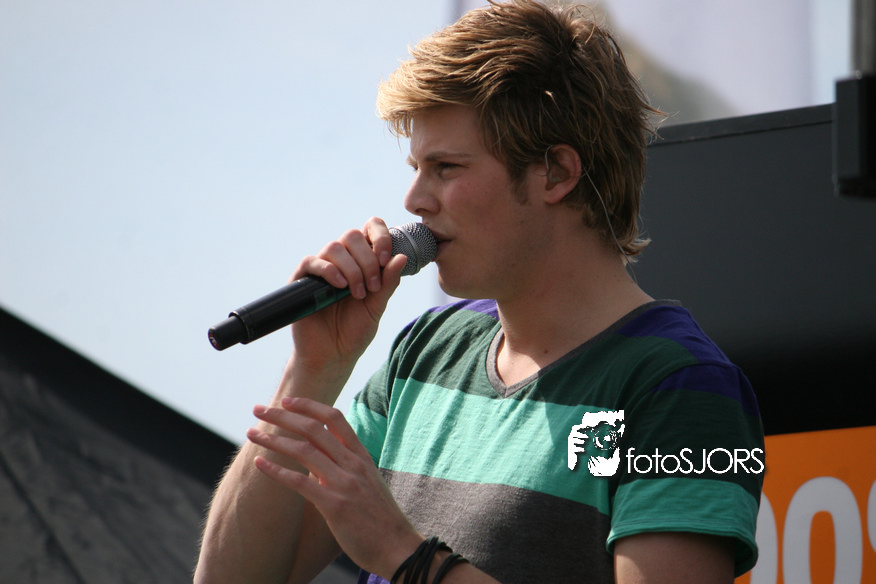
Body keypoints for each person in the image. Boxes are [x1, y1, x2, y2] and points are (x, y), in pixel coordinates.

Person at [194, 1, 764, 583]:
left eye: (445, 167)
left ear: (557, 173)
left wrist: (404, 553)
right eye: (416, 168)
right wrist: (314, 370)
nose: (414, 200)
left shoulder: (680, 387)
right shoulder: (426, 350)